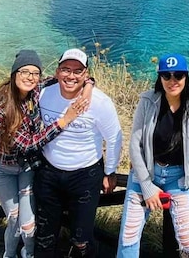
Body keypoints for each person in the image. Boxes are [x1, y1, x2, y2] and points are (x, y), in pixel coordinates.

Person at [117, 54, 189, 258]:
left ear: (186, 77)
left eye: (178, 75)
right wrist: (147, 186)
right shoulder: (147, 101)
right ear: (159, 78)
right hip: (147, 174)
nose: (172, 81)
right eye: (166, 76)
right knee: (129, 236)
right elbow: (135, 145)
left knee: (188, 243)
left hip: (179, 178)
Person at [0, 49, 91, 258]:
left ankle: (29, 254)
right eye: (24, 71)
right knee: (14, 219)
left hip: (26, 168)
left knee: (29, 227)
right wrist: (65, 120)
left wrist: (88, 87)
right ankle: (9, 254)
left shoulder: (35, 89)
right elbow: (28, 145)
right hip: (2, 169)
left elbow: (72, 75)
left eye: (35, 73)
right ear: (14, 73)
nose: (30, 77)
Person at [35, 48, 123, 258]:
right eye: (65, 69)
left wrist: (110, 172)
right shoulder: (43, 93)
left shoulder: (100, 103)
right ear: (57, 72)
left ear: (86, 74)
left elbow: (114, 138)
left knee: (81, 238)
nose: (71, 76)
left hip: (85, 175)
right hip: (48, 172)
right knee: (44, 235)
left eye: (77, 71)